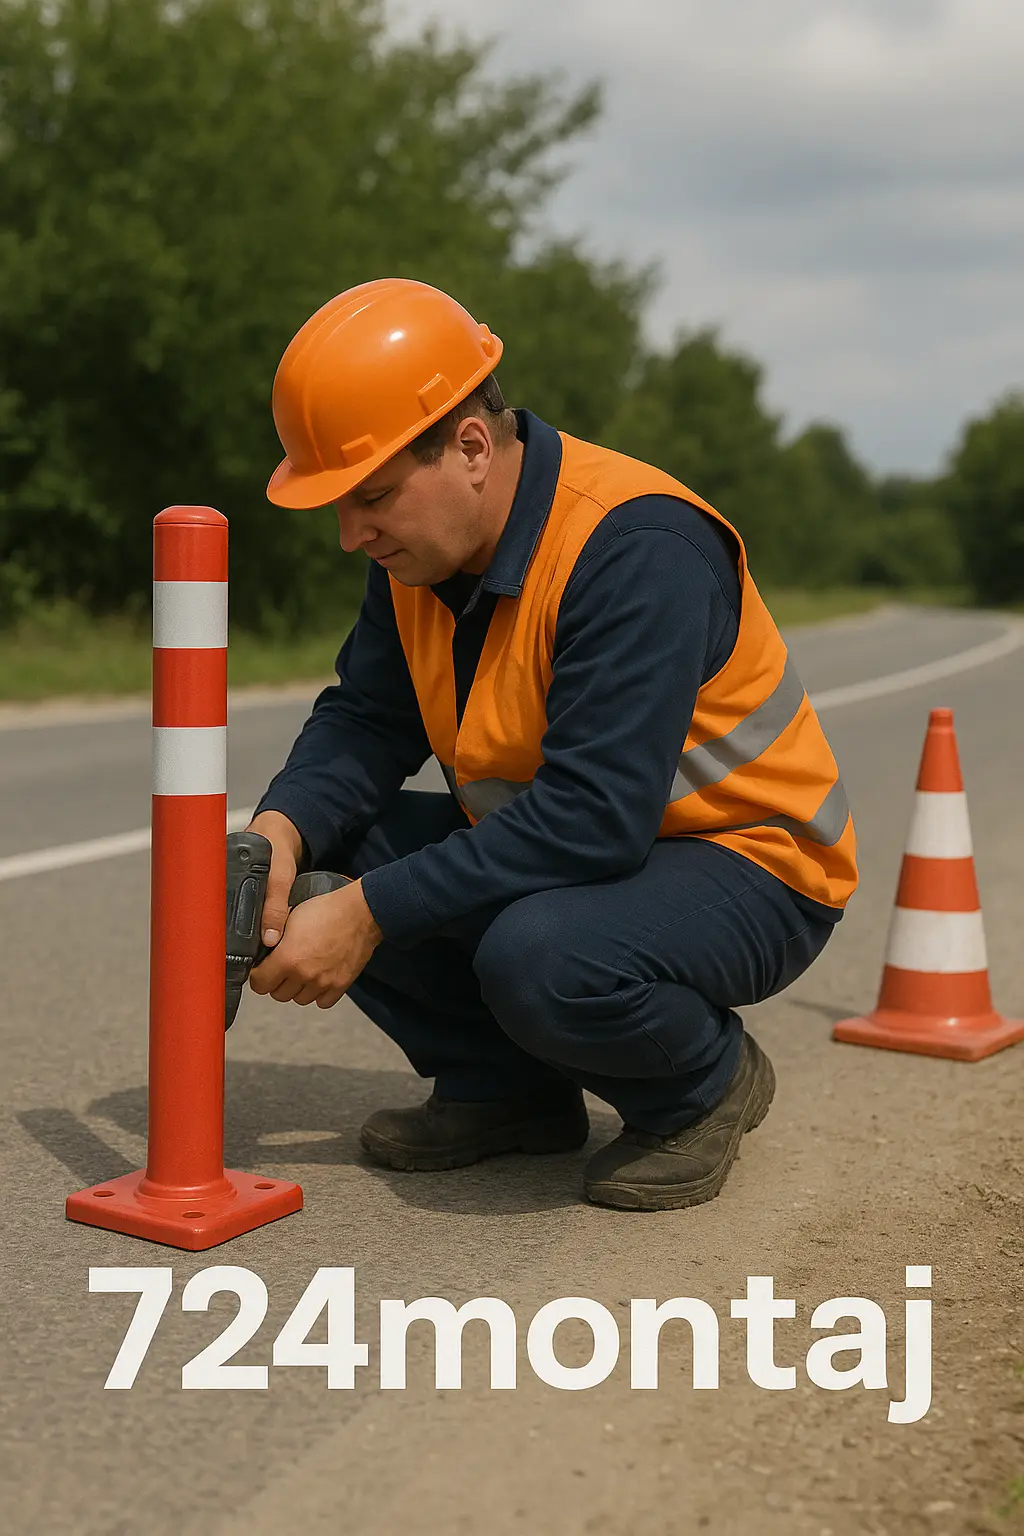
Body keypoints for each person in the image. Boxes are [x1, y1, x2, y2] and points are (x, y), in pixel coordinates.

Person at [247, 278, 858, 1211]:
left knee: (540, 955)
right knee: (328, 861)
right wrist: (278, 837)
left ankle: (702, 1084)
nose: (348, 535)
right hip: (600, 851)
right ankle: (509, 1090)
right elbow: (369, 719)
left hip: (752, 863)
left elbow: (593, 820)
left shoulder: (636, 547)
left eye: (369, 496)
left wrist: (371, 914)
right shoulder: (419, 552)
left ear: (473, 447)